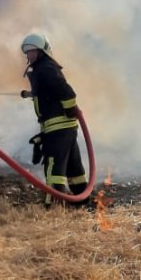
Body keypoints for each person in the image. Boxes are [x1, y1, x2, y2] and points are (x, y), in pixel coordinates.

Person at [19, 34, 88, 206]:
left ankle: (54, 206)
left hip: (58, 128)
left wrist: (71, 109)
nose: (29, 55)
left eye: (32, 51)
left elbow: (66, 92)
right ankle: (82, 202)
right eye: (27, 52)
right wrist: (30, 94)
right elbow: (48, 92)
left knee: (54, 168)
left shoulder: (46, 68)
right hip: (65, 128)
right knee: (74, 169)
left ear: (41, 51)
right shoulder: (44, 69)